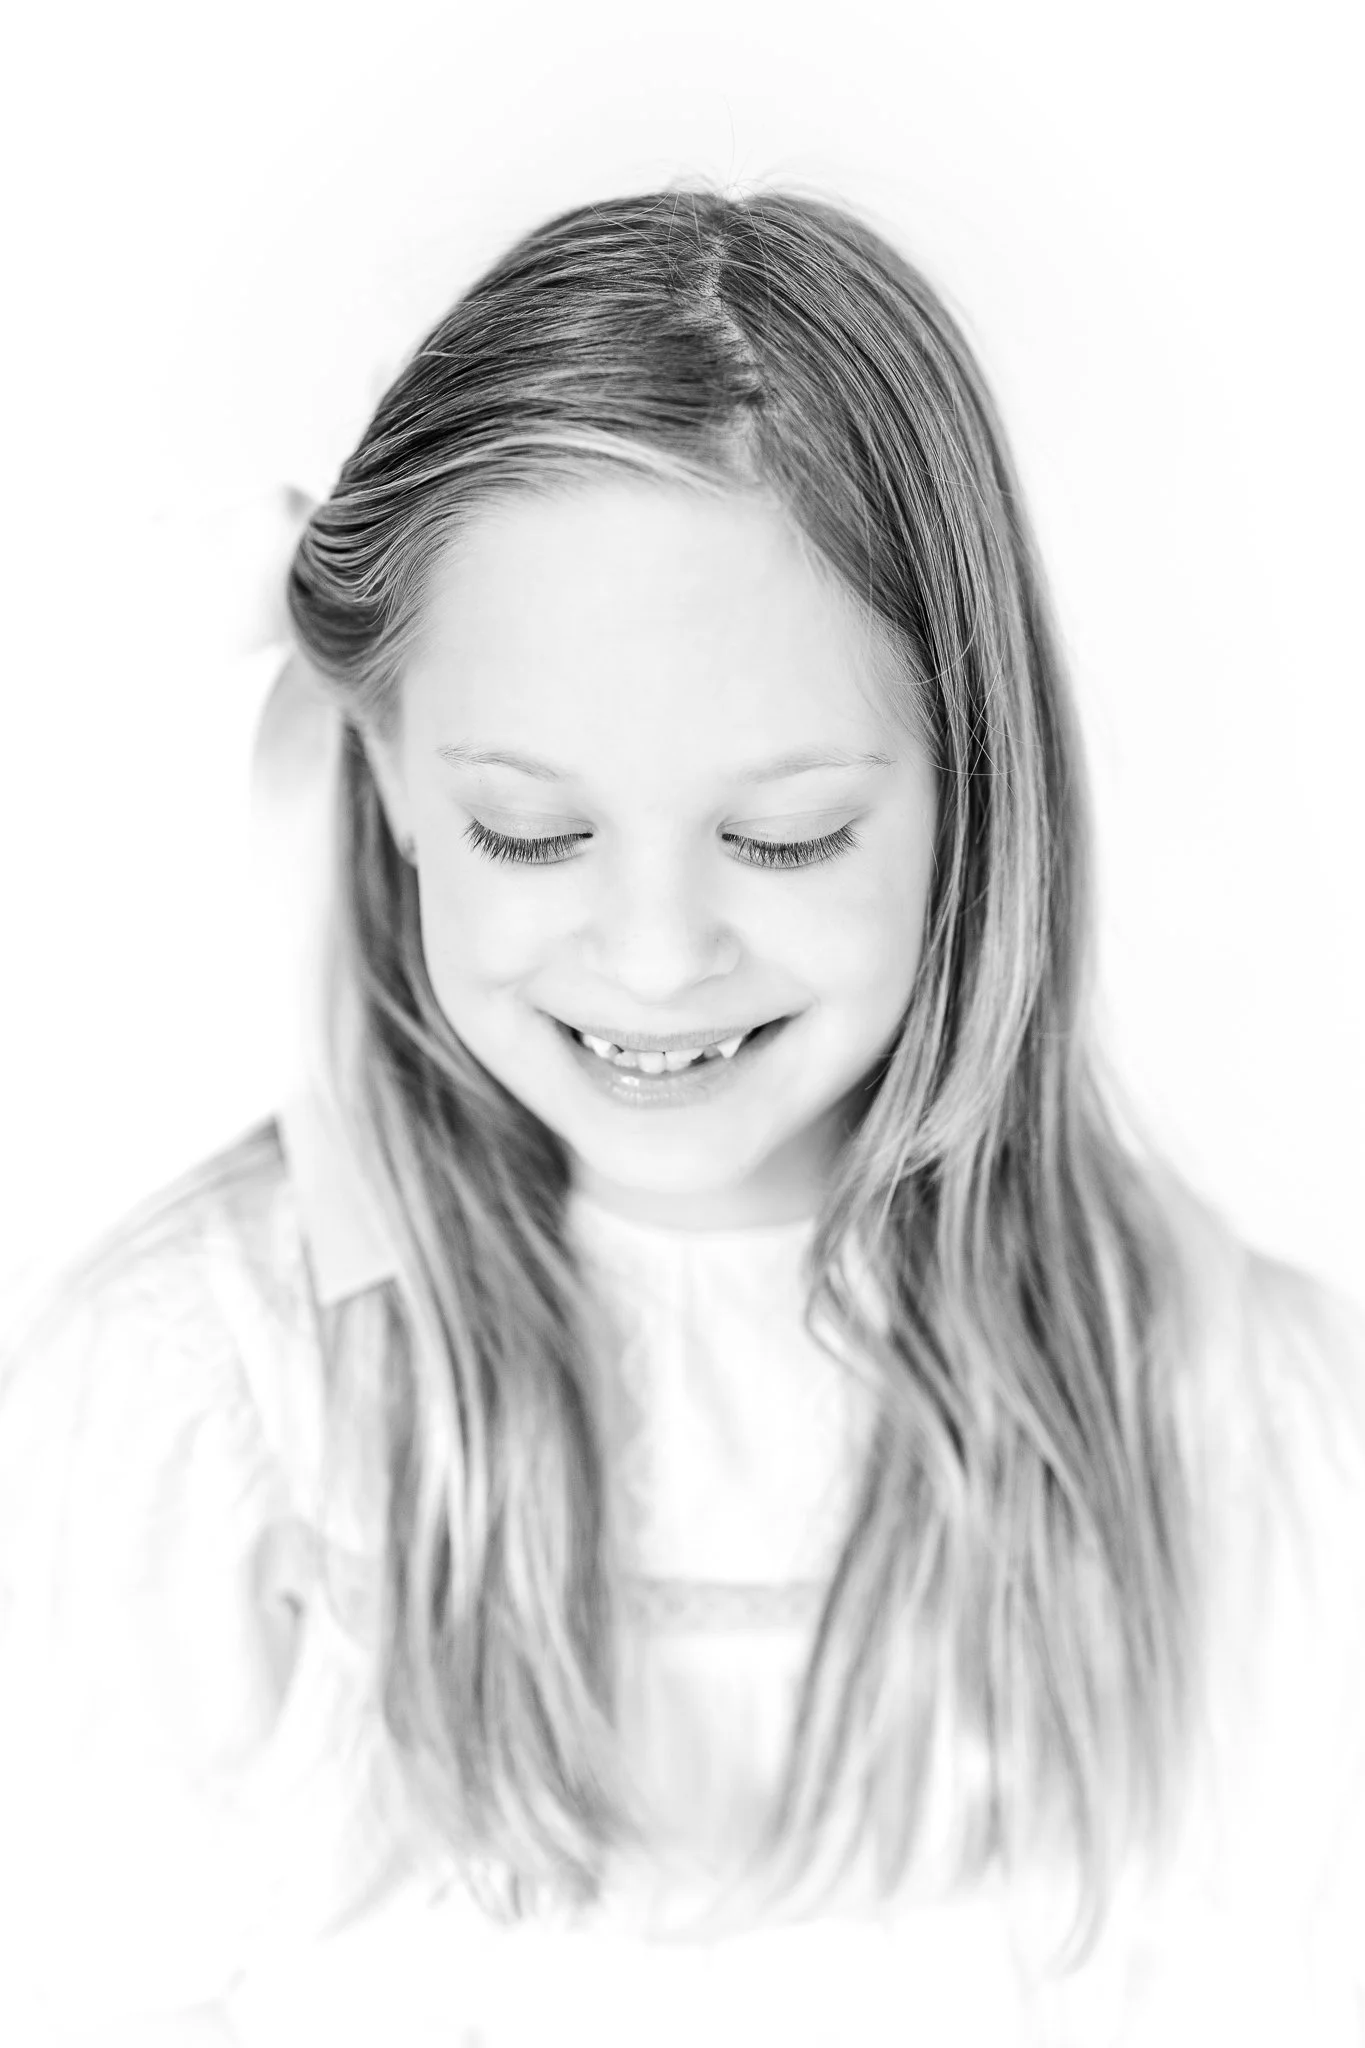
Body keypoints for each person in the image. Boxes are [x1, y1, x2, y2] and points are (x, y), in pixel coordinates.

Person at [2, 183, 1362, 2047]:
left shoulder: (1219, 1408)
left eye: (785, 835)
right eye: (532, 834)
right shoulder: (205, 1401)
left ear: (976, 790)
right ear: (386, 774)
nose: (654, 957)